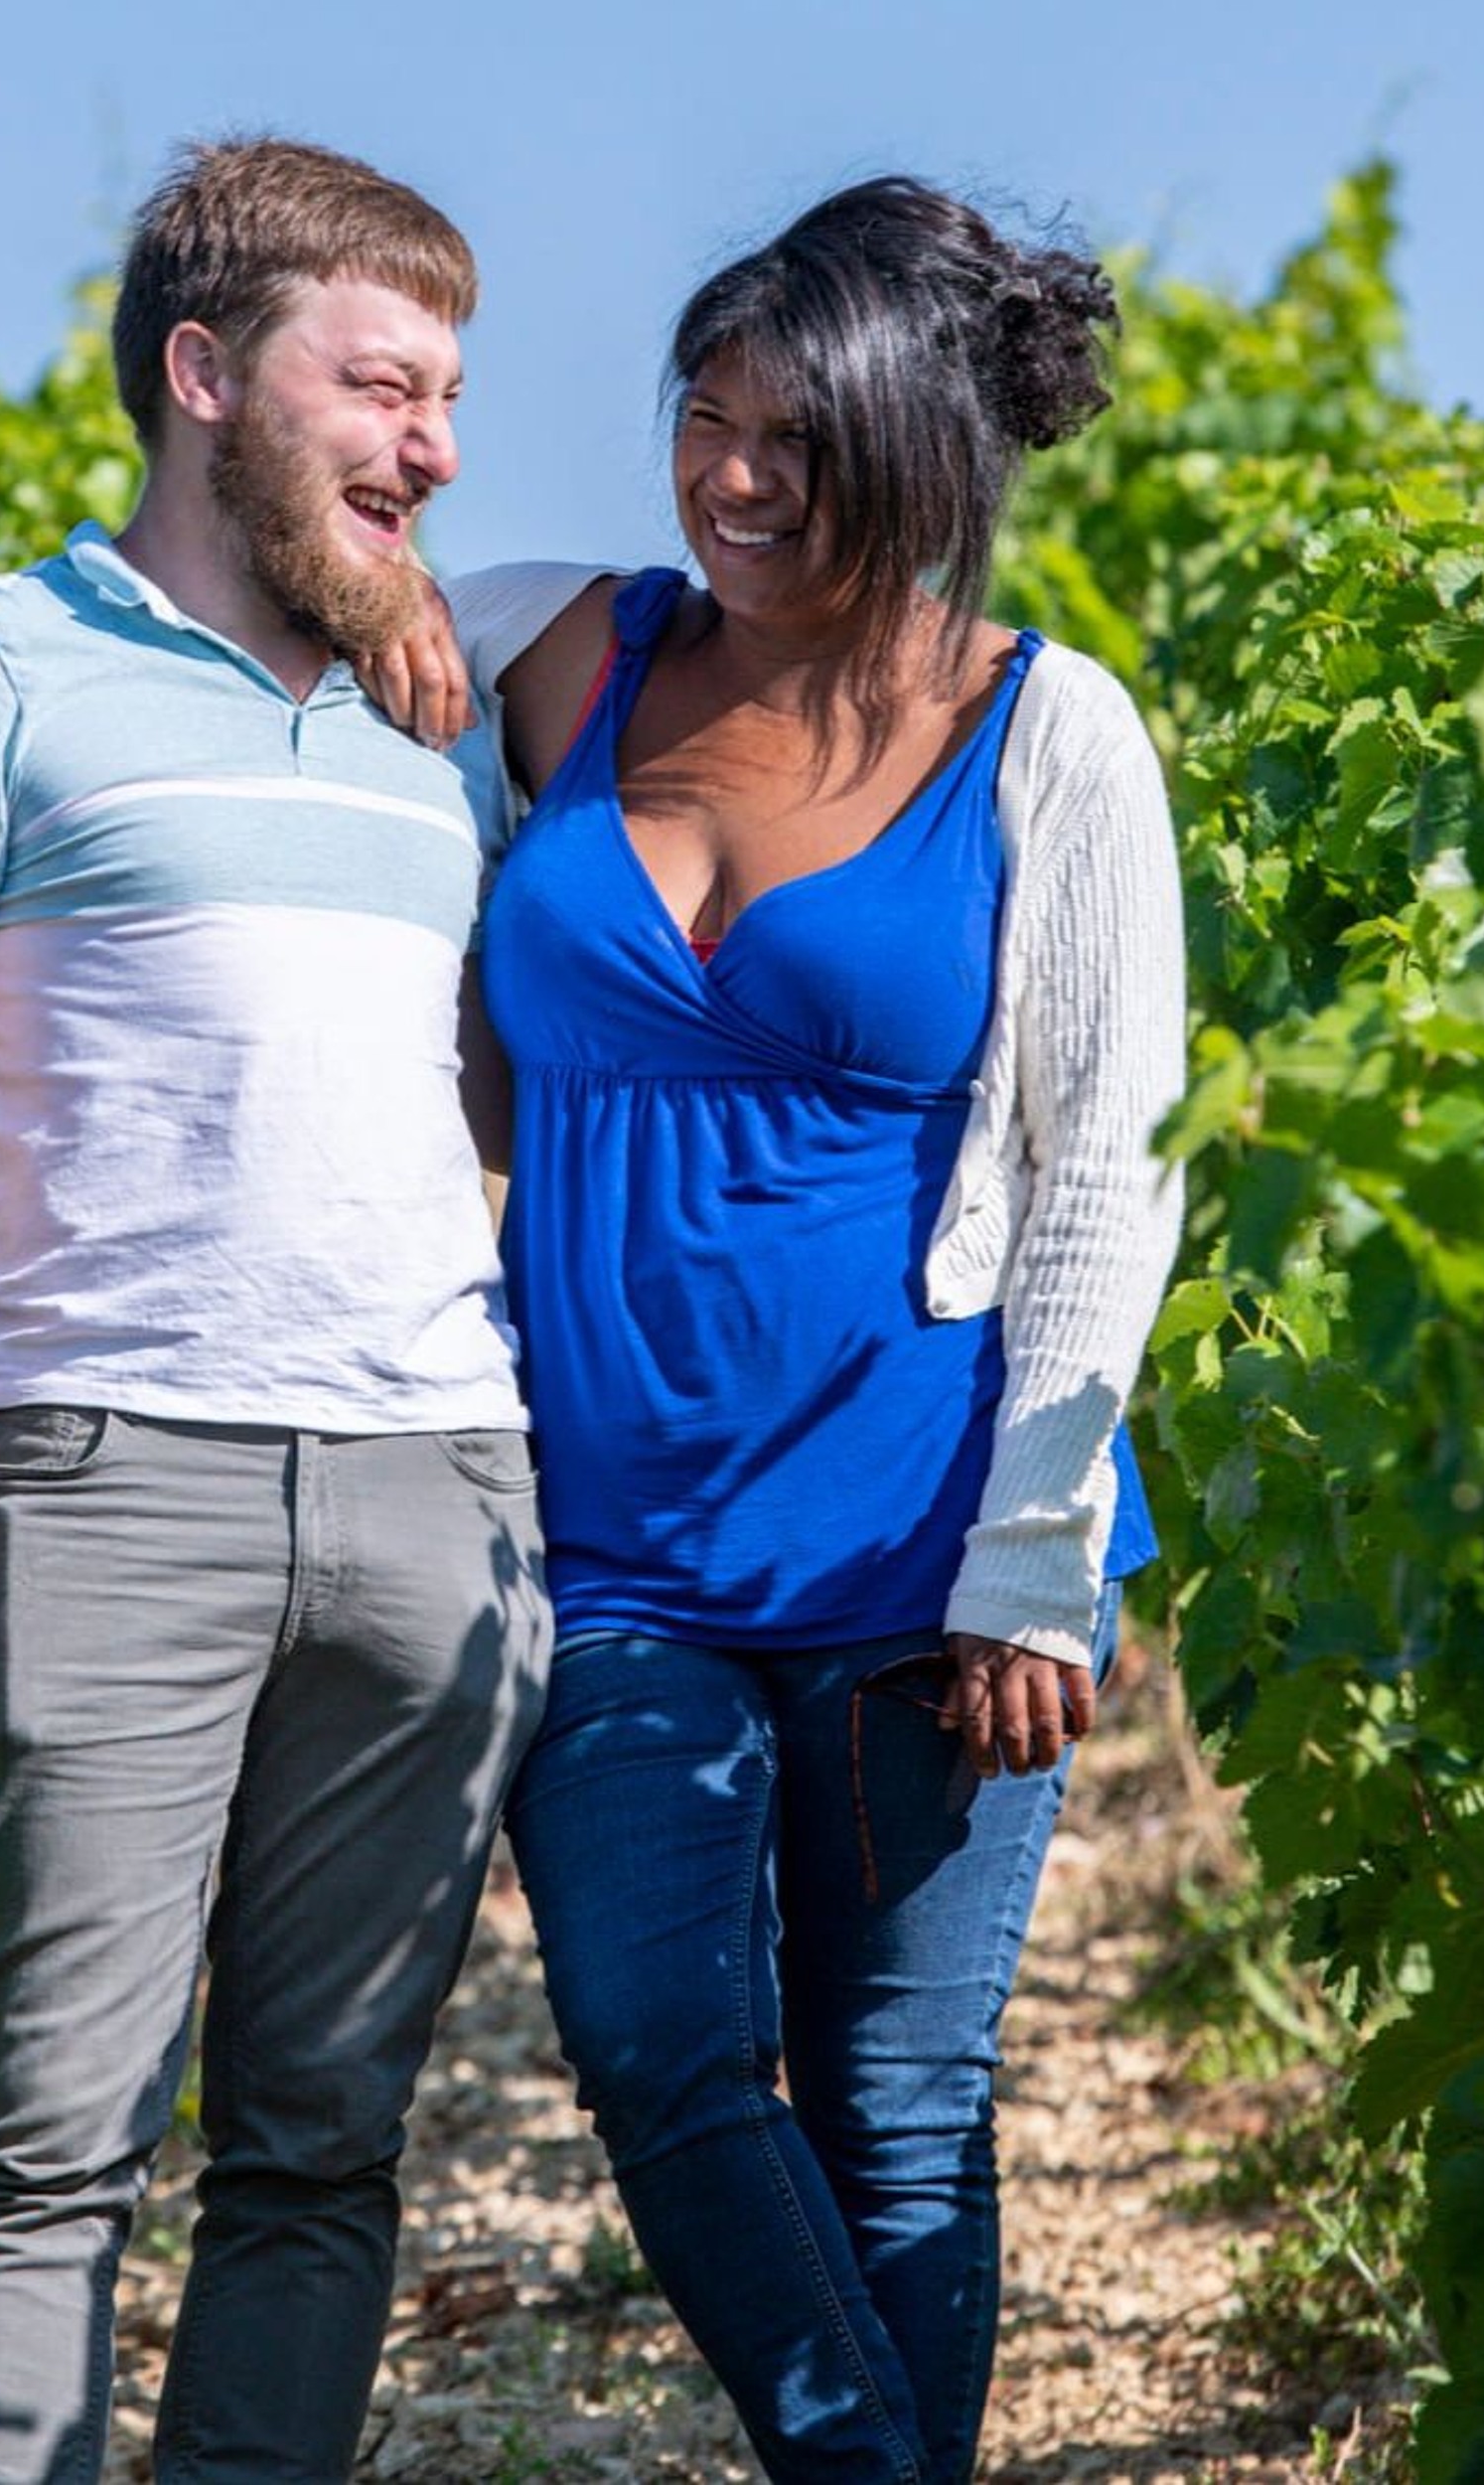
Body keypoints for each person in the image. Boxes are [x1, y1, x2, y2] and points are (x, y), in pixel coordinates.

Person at [0, 136, 551, 2485]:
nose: (429, 444)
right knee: (47, 2148)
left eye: (448, 401)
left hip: (440, 1495)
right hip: (116, 1474)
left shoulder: (445, 724)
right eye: (382, 386)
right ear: (204, 374)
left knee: (323, 2158)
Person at [448, 178, 1185, 2484]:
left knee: (891, 2110)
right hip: (615, 1533)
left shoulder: (1049, 738)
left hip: (925, 1542)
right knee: (658, 2043)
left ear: (930, 457)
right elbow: (284, 604)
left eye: (799, 440)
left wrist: (1035, 1564)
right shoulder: (556, 656)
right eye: (705, 418)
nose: (733, 478)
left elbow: (1109, 1167)